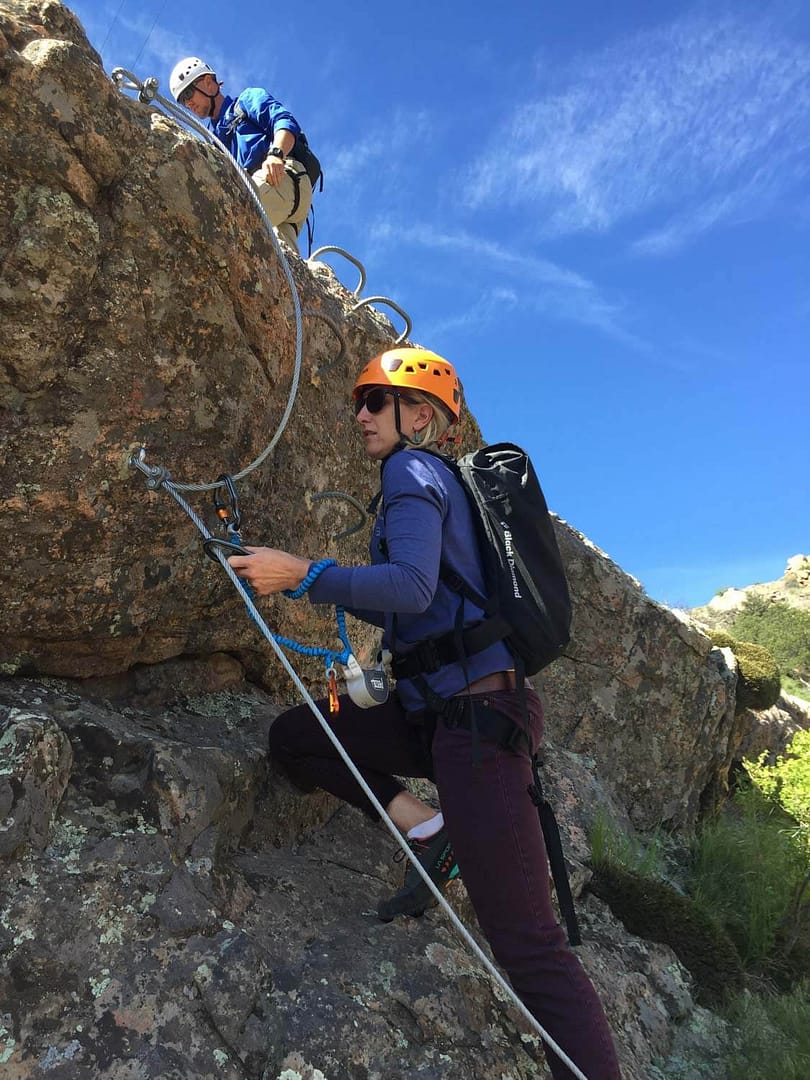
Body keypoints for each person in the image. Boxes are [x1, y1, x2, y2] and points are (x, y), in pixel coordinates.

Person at [228, 347, 622, 1080]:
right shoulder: (434, 482)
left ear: (422, 416)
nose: (361, 414)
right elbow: (426, 604)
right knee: (299, 737)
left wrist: (302, 574)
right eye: (360, 401)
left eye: (376, 400)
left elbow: (408, 587)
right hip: (440, 713)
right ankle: (431, 828)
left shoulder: (409, 471)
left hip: (476, 728)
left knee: (530, 948)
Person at [169, 56, 313, 254]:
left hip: (281, 176)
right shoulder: (214, 140)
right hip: (281, 202)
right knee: (276, 262)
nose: (187, 103)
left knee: (230, 220)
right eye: (182, 101)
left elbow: (284, 121)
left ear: (208, 83)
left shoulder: (246, 100)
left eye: (188, 93)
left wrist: (276, 154)